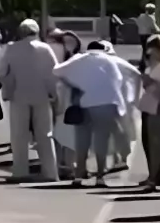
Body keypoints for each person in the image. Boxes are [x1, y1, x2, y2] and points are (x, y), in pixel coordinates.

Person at [55, 39, 139, 186]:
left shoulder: (80, 58)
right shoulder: (112, 59)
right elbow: (136, 73)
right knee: (102, 140)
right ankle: (100, 177)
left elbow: (56, 71)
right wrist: (134, 99)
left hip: (84, 103)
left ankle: (78, 176)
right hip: (107, 103)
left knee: (82, 141)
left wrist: (74, 84)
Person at [0, 20, 61, 181]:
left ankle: (20, 171)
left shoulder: (12, 48)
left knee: (19, 136)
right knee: (45, 135)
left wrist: (9, 84)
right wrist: (53, 94)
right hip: (42, 96)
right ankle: (51, 173)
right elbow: (54, 73)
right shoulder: (45, 48)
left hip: (18, 95)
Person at [136, 35, 160, 190]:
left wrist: (151, 82)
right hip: (149, 107)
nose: (150, 53)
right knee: (149, 144)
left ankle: (157, 177)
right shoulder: (151, 65)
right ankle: (154, 175)